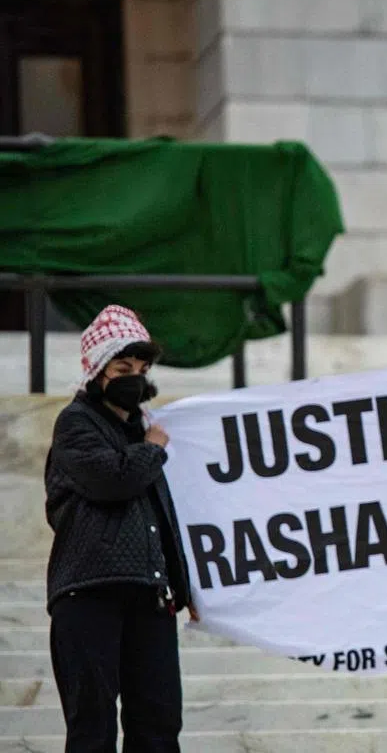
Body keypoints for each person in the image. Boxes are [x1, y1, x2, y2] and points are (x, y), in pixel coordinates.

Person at [45, 304, 195, 752]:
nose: (136, 376)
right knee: (93, 728)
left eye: (143, 367)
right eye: (123, 366)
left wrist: (183, 589)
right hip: (90, 594)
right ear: (97, 371)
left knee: (159, 723)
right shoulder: (75, 424)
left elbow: (160, 518)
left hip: (149, 597)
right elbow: (112, 480)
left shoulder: (141, 431)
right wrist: (152, 450)